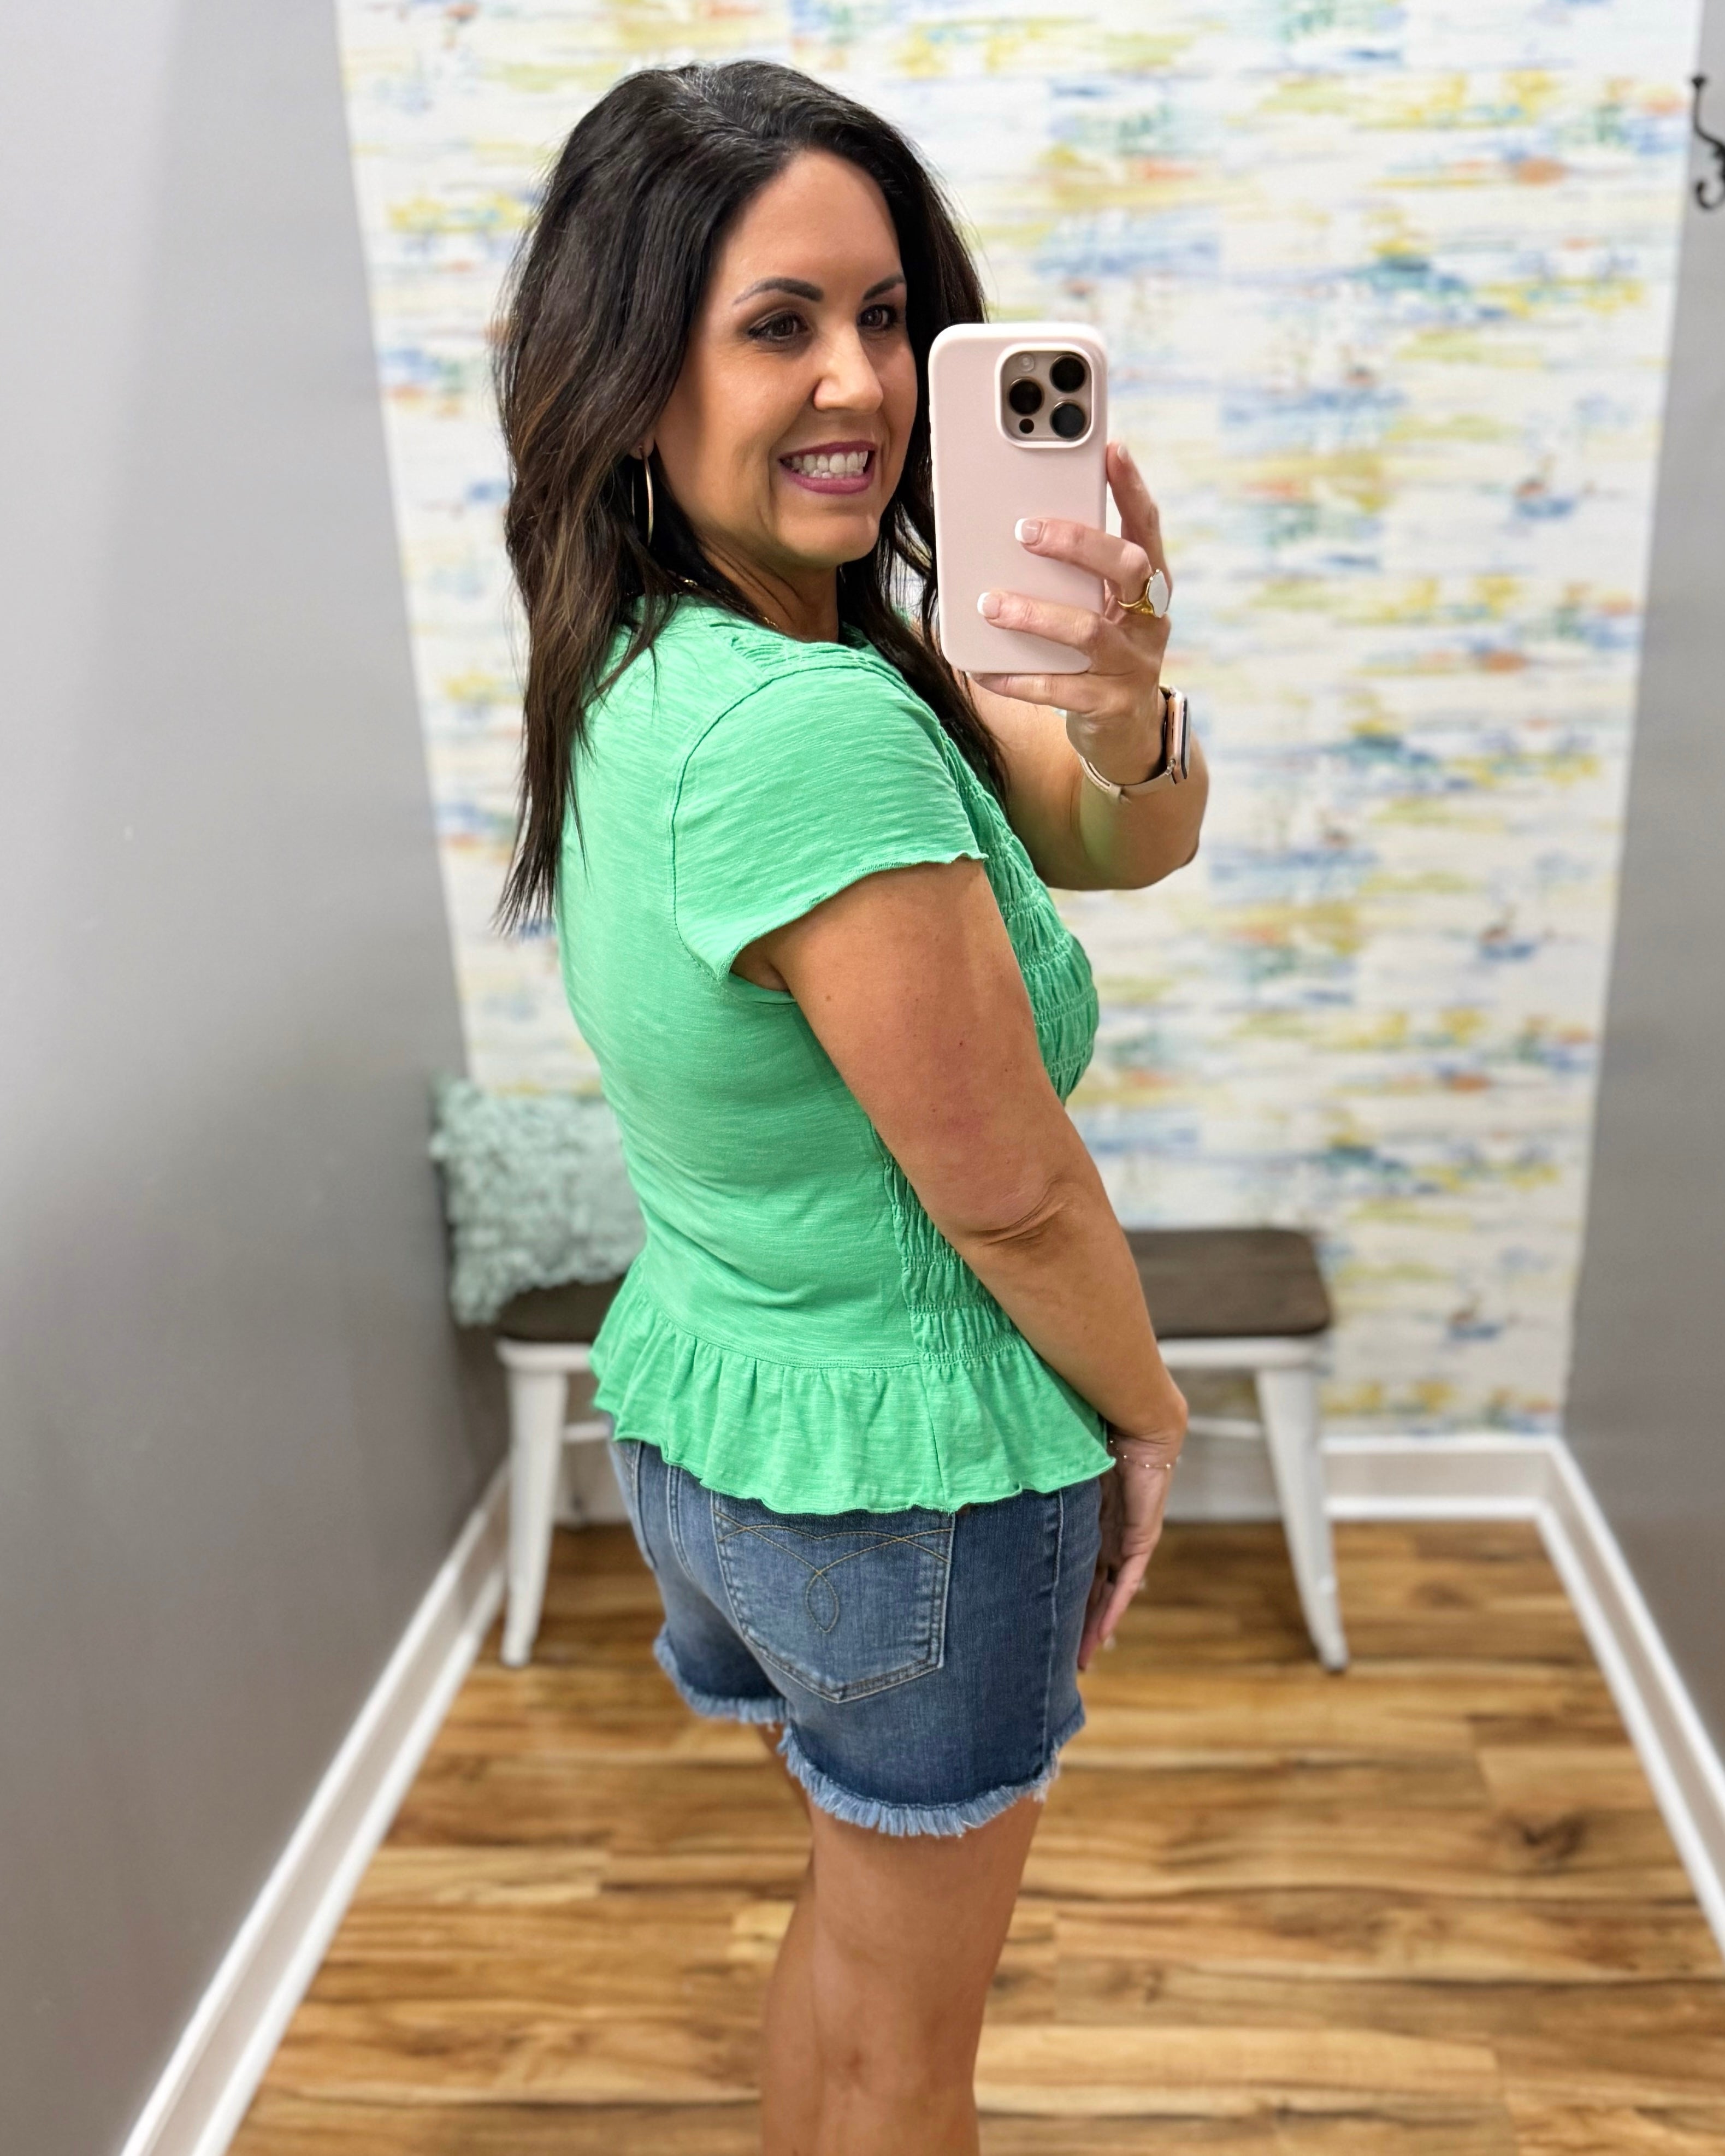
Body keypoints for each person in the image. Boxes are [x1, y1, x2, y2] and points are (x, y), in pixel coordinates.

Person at [493, 58, 1207, 2156]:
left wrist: (1132, 695)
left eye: (887, 314)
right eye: (777, 322)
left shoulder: (673, 652)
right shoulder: (813, 731)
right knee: (918, 2056)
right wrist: (1151, 1413)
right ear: (633, 379)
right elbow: (1008, 1198)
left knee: (853, 1921)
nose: (862, 380)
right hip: (904, 1473)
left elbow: (1106, 845)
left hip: (731, 1427)